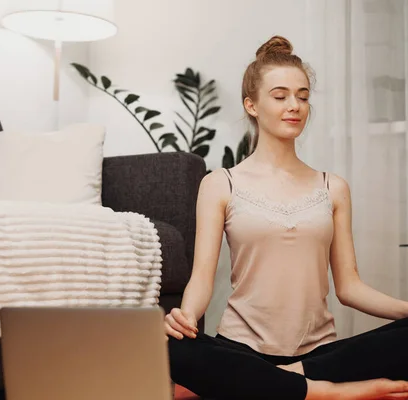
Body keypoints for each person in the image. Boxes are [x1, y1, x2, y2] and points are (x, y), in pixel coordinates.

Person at [165, 35, 408, 400]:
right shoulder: (220, 184)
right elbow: (202, 278)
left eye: (303, 96)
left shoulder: (333, 187)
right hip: (240, 349)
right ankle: (327, 393)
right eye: (280, 96)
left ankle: (283, 380)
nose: (294, 105)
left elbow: (349, 287)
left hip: (319, 355)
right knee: (170, 348)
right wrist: (184, 318)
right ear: (252, 105)